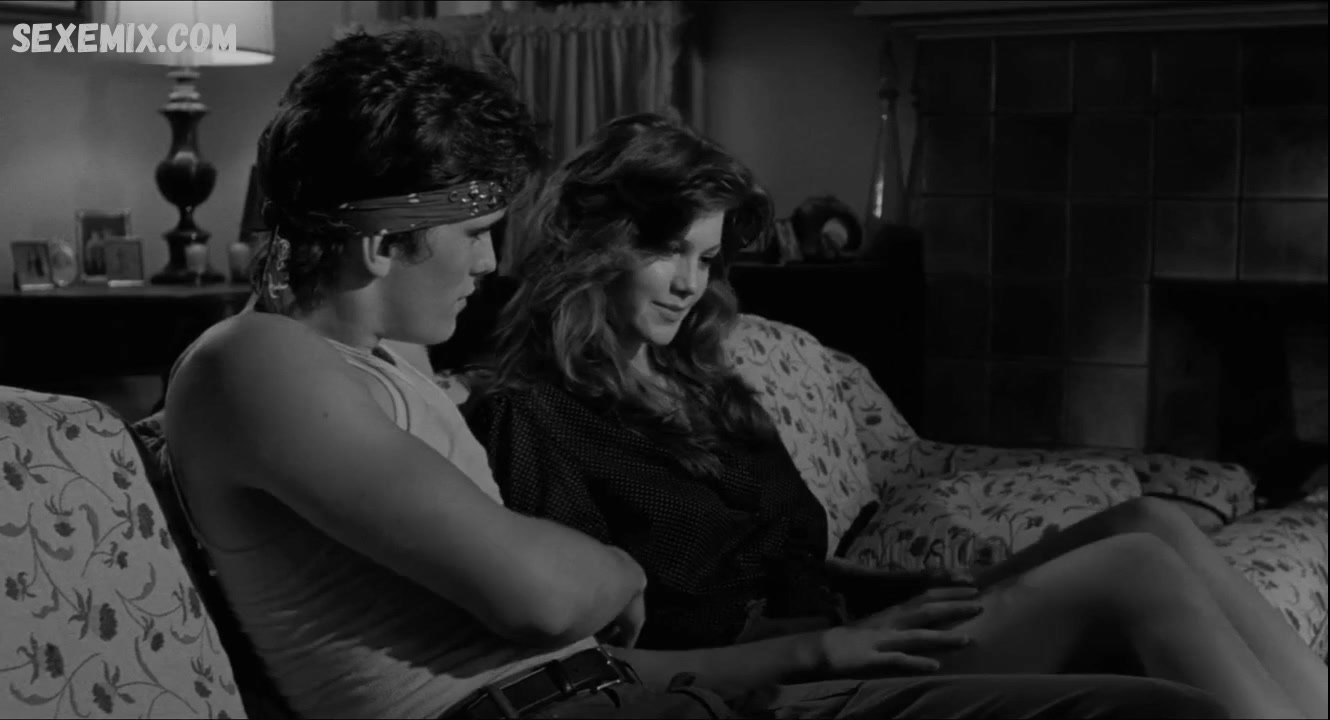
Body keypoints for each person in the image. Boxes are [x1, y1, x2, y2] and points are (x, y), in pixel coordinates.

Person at [159, 29, 1235, 720]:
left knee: (1150, 661)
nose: (490, 265)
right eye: (477, 233)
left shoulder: (393, 369)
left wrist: (816, 649)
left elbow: (587, 643)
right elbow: (543, 597)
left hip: (626, 692)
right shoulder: (255, 363)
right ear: (383, 241)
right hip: (556, 706)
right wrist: (617, 570)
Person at [462, 113, 1327, 720]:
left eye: (707, 256)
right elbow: (583, 669)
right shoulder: (531, 415)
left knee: (1153, 522)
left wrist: (915, 589)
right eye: (666, 251)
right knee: (1134, 568)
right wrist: (822, 650)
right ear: (596, 244)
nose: (691, 284)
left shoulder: (701, 377)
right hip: (774, 680)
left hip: (848, 623)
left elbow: (793, 560)